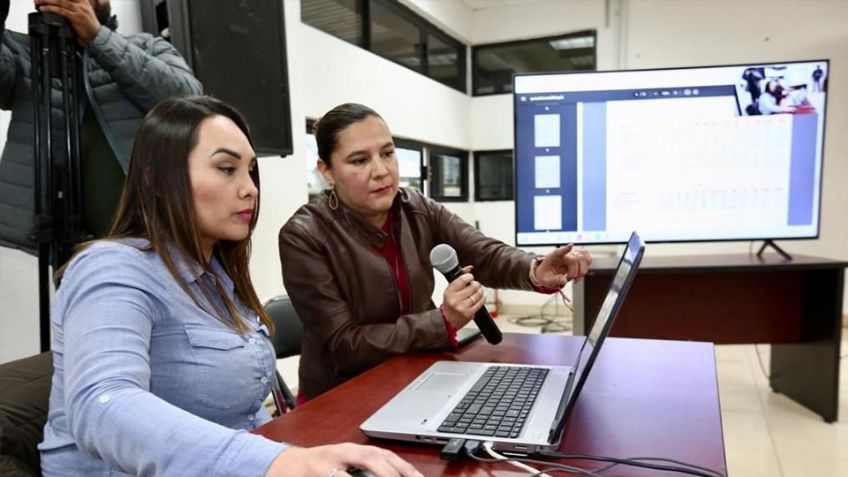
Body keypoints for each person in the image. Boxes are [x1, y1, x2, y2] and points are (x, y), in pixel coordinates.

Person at [38, 96, 422, 477]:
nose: (250, 189)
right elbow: (104, 404)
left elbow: (243, 413)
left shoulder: (217, 278)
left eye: (251, 171)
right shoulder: (112, 268)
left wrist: (295, 454)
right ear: (157, 179)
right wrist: (275, 461)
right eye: (226, 169)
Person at [278, 103, 592, 401]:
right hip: (342, 396)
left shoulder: (415, 207)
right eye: (360, 160)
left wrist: (534, 269)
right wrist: (440, 322)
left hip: (417, 375)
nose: (381, 171)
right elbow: (344, 346)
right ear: (327, 170)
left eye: (388, 153)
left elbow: (482, 253)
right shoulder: (304, 236)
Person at [0, 0, 202, 255]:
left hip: (150, 234)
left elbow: (186, 100)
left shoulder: (147, 45)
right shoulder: (24, 54)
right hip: (60, 243)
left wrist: (98, 38)